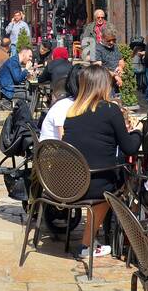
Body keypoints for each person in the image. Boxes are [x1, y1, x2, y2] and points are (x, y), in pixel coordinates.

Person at [60, 65, 143, 261]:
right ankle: (91, 245)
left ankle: (92, 239)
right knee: (124, 181)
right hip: (95, 182)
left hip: (69, 182)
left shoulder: (72, 111)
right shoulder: (110, 110)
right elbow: (129, 148)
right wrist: (138, 130)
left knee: (106, 178)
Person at [94, 24, 124, 95]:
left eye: (114, 40)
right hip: (104, 85)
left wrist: (120, 67)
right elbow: (99, 68)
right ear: (102, 37)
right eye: (109, 40)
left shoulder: (115, 47)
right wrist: (115, 75)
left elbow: (121, 60)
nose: (111, 42)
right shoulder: (96, 49)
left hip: (116, 83)